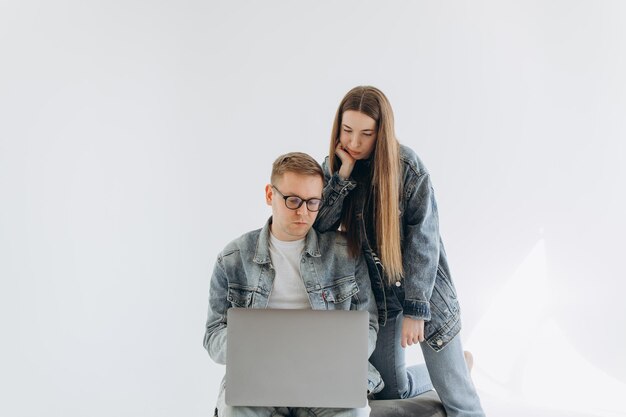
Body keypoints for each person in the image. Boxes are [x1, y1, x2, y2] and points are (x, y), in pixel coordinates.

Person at [314, 86, 486, 417]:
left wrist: (416, 311)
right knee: (390, 391)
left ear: (382, 131)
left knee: (459, 402)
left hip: (425, 297)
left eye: (366, 133)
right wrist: (343, 174)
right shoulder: (333, 168)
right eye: (347, 131)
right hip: (378, 299)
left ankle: (455, 375)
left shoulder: (408, 167)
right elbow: (320, 229)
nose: (354, 142)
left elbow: (425, 240)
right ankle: (457, 369)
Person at [203, 152, 383, 417]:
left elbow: (368, 325)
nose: (303, 212)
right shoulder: (233, 258)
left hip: (328, 379)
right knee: (232, 411)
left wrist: (340, 353)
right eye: (293, 200)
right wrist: (252, 347)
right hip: (257, 382)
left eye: (312, 203)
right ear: (269, 195)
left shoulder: (345, 254)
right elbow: (213, 334)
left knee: (355, 411)